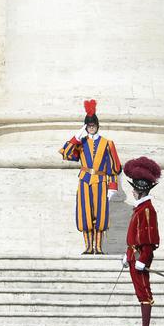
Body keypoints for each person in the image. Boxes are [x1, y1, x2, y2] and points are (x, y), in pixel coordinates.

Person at [59, 99, 122, 254]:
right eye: (89, 126)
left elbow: (114, 167)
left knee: (100, 215)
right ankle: (88, 247)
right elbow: (65, 153)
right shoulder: (81, 143)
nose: (91, 128)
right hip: (85, 180)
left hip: (101, 181)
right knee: (85, 214)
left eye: (93, 125)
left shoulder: (108, 143)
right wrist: (76, 137)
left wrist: (112, 187)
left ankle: (98, 247)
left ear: (97, 126)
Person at [122, 156, 162, 326]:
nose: (132, 191)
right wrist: (127, 254)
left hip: (140, 258)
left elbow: (149, 240)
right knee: (141, 293)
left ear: (140, 190)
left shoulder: (147, 210)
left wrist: (142, 259)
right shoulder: (140, 208)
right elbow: (135, 236)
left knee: (144, 293)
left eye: (134, 189)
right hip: (134, 256)